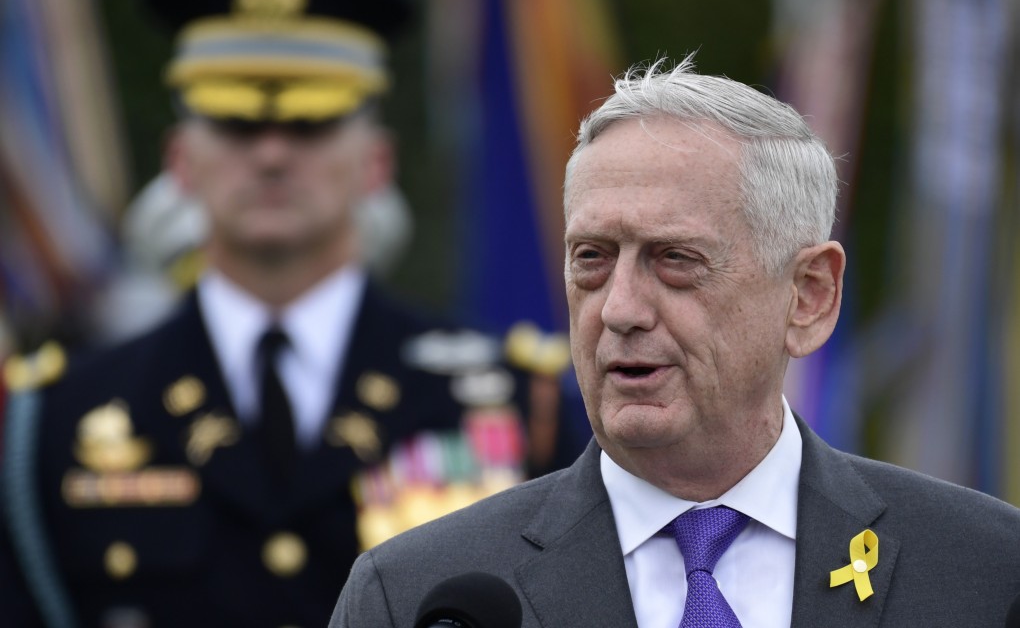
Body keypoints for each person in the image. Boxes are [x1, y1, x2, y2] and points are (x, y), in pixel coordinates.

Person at [329, 55, 1020, 628]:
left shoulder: (985, 570)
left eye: (675, 260)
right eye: (592, 259)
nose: (620, 309)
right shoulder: (417, 596)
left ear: (808, 296)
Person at [0, 0, 552, 627]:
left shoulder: (520, 403)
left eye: (310, 122)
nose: (270, 153)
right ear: (179, 160)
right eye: (235, 122)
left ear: (377, 162)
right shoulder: (54, 423)